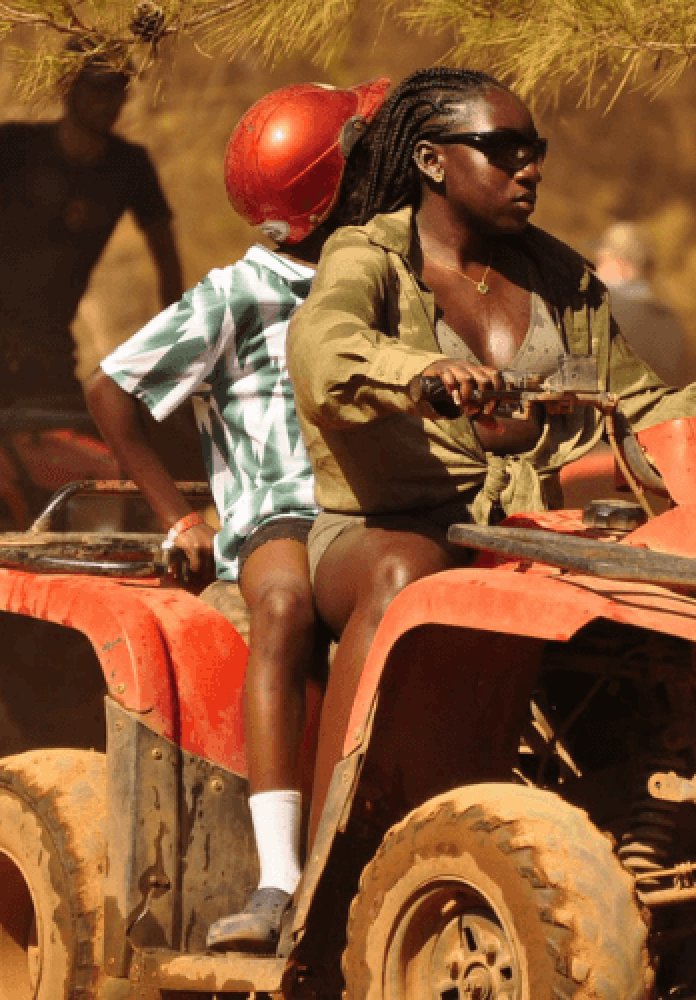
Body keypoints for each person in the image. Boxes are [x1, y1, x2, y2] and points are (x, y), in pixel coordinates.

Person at [286, 67, 696, 835]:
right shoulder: (369, 257)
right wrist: (420, 372)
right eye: (503, 149)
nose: (530, 168)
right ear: (431, 161)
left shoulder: (563, 279)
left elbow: (640, 403)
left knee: (663, 613)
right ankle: (338, 846)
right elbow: (324, 355)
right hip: (391, 525)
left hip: (534, 535)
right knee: (406, 573)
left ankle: (662, 823)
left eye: (535, 149)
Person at [85, 78, 391, 954]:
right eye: (363, 164)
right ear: (331, 194)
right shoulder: (240, 294)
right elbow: (111, 390)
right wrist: (180, 515)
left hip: (369, 512)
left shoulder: (387, 280)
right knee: (285, 605)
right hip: (279, 513)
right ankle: (279, 876)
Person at [0, 41, 182, 412]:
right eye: (98, 88)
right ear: (67, 87)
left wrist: (177, 348)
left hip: (49, 346)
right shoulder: (13, 147)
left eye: (119, 88)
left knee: (64, 436)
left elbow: (166, 257)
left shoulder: (130, 167)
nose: (110, 101)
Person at [594, 220, 686, 384]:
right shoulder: (670, 320)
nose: (596, 269)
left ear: (620, 265)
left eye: (601, 261)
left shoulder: (602, 308)